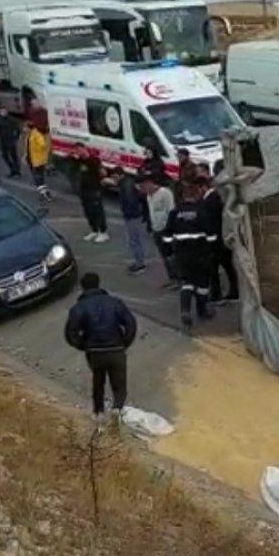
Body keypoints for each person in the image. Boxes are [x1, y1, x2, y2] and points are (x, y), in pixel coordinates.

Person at [64, 272, 138, 425]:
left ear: (82, 288)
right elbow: (130, 324)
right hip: (116, 348)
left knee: (98, 380)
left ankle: (98, 412)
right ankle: (117, 408)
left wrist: (83, 346)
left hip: (95, 353)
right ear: (99, 284)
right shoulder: (114, 302)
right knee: (119, 382)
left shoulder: (78, 308)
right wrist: (124, 342)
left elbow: (71, 333)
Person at [163, 178, 216, 331]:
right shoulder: (201, 211)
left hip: (182, 254)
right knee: (202, 284)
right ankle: (202, 311)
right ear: (196, 195)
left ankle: (185, 310)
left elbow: (166, 235)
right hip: (200, 254)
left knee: (186, 282)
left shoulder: (175, 212)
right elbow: (211, 235)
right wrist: (211, 251)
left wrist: (169, 252)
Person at [197, 165, 238, 304]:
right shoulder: (215, 197)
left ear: (202, 187)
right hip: (220, 238)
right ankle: (233, 291)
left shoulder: (211, 200)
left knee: (215, 268)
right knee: (227, 267)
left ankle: (217, 294)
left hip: (216, 239)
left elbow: (211, 221)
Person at [139, 173, 178, 287]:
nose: (142, 190)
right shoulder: (149, 196)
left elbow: (171, 210)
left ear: (149, 183)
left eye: (143, 187)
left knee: (172, 255)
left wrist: (170, 229)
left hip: (167, 229)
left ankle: (178, 278)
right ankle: (171, 278)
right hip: (156, 229)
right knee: (164, 256)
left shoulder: (165, 193)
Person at [108, 170, 149, 274]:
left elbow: (130, 201)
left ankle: (140, 264)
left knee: (134, 240)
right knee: (135, 240)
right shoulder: (128, 183)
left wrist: (128, 214)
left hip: (132, 215)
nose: (114, 179)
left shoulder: (126, 185)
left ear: (120, 175)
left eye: (115, 176)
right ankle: (139, 262)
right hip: (135, 214)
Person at [75, 149, 110, 243]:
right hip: (84, 191)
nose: (78, 153)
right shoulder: (80, 161)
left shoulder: (94, 160)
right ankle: (94, 230)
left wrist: (102, 179)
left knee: (97, 211)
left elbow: (103, 172)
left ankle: (103, 232)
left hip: (94, 190)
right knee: (88, 211)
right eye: (76, 151)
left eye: (79, 150)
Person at [26, 119, 52, 202]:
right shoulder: (30, 134)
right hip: (32, 159)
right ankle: (44, 193)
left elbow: (43, 145)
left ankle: (45, 194)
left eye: (25, 127)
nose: (24, 129)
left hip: (37, 160)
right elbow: (27, 146)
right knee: (38, 178)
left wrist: (37, 151)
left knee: (38, 178)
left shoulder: (36, 135)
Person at [0, 107, 21, 178]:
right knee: (5, 156)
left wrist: (16, 138)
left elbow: (17, 129)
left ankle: (17, 172)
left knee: (13, 157)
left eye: (4, 111)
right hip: (2, 141)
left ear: (7, 112)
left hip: (10, 140)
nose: (3, 113)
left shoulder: (11, 120)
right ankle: (12, 169)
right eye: (1, 111)